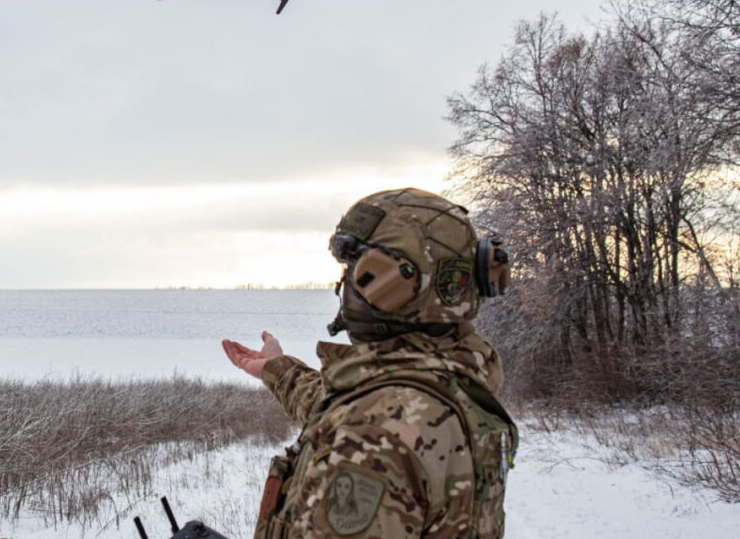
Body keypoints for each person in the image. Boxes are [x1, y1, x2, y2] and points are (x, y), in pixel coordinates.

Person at [222, 188, 518, 539]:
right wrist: (278, 369)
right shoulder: (448, 388)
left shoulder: (371, 438)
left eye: (354, 269)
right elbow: (343, 405)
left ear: (384, 281)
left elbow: (369, 423)